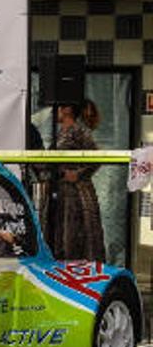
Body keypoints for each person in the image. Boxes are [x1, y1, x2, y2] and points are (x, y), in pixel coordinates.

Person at [51, 99, 105, 261]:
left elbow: (96, 157)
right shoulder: (61, 131)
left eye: (58, 108)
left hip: (76, 192)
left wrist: (78, 174)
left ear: (66, 110)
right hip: (62, 191)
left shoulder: (78, 130)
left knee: (75, 233)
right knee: (63, 232)